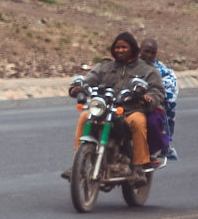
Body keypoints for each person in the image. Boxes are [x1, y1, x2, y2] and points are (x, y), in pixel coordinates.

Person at [70, 32, 159, 170]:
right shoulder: (104, 67)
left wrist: (149, 98)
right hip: (105, 110)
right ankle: (78, 163)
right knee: (84, 117)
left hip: (130, 110)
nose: (120, 50)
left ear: (133, 49)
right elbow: (88, 81)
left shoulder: (147, 70)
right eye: (117, 47)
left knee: (139, 121)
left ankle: (140, 166)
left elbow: (156, 91)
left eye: (124, 47)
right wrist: (77, 89)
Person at [140, 35, 180, 161]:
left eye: (153, 53)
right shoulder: (129, 65)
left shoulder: (159, 71)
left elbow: (165, 89)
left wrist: (151, 97)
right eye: (146, 51)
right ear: (139, 50)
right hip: (125, 102)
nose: (149, 55)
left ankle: (154, 152)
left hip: (148, 103)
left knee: (154, 120)